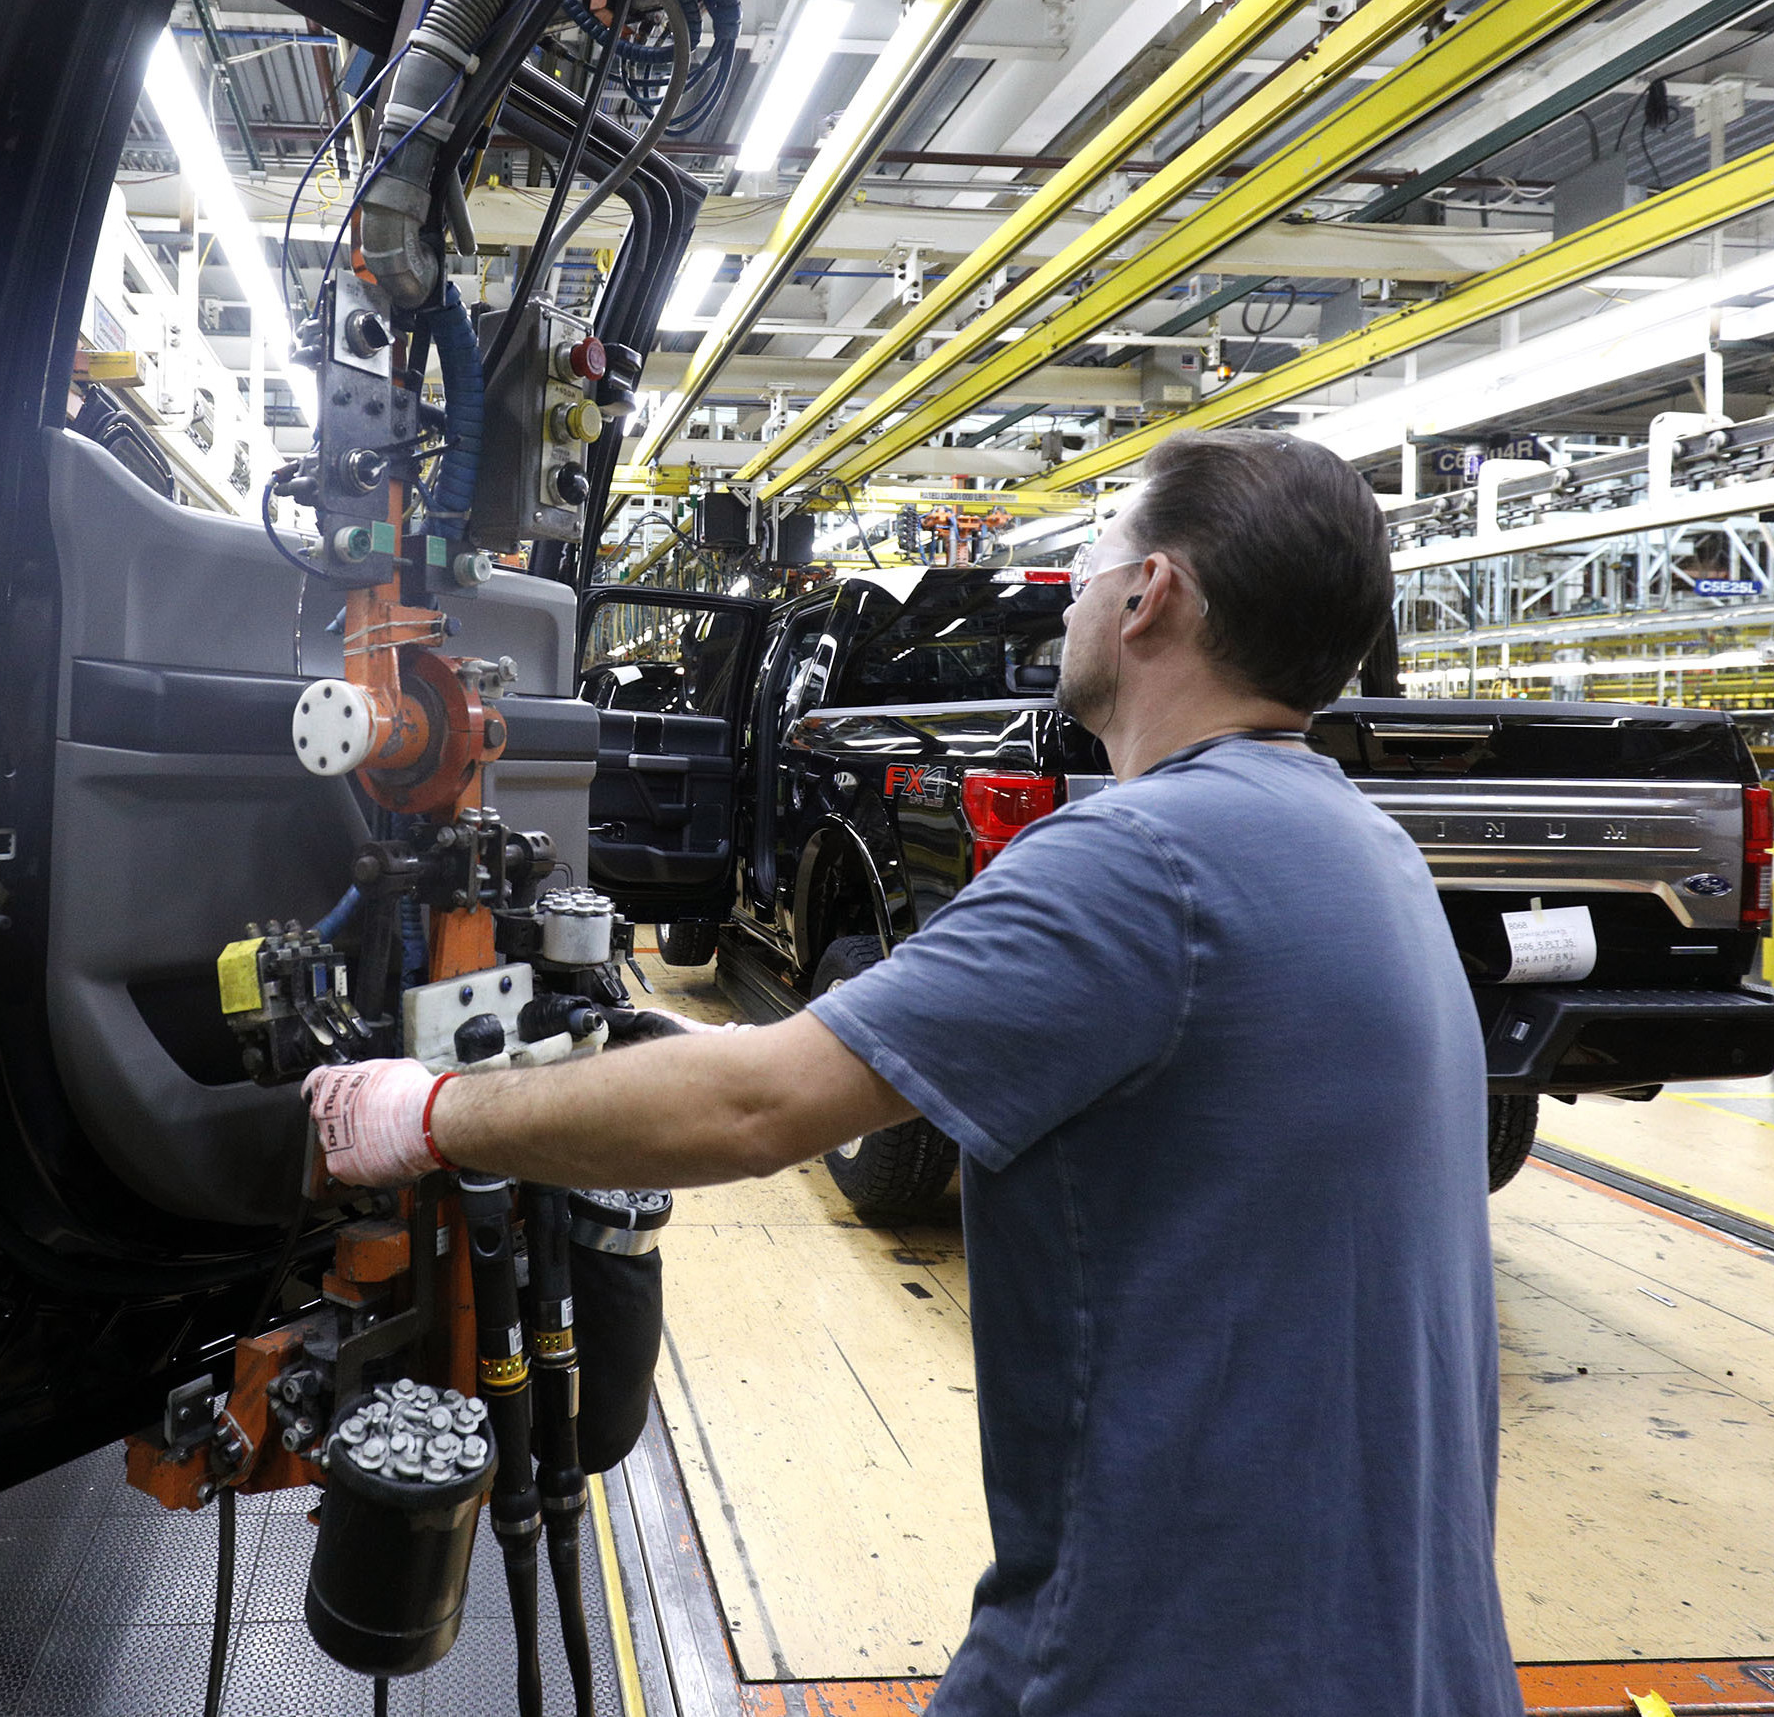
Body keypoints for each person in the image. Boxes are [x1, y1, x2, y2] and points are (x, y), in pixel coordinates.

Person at [305, 431, 1523, 1717]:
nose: (1074, 588)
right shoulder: (1367, 852)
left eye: (1090, 556)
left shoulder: (1142, 860)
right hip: (1416, 1662)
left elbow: (757, 1104)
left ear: (1147, 594)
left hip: (1168, 1659)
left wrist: (426, 1111)